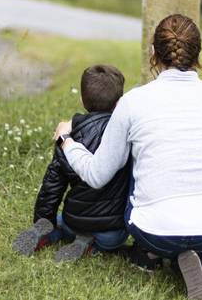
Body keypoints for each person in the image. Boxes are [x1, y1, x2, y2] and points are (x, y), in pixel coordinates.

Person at [55, 14, 202, 300]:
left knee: (134, 158)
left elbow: (97, 174)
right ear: (198, 53)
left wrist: (67, 141)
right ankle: (196, 262)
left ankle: (150, 254)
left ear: (153, 52)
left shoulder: (133, 101)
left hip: (157, 230)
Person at [13, 64, 131, 262]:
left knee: (60, 223)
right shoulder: (126, 135)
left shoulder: (67, 136)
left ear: (81, 100)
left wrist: (44, 218)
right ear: (119, 103)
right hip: (111, 230)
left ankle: (48, 232)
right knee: (112, 237)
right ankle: (89, 244)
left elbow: (52, 185)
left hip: (74, 220)